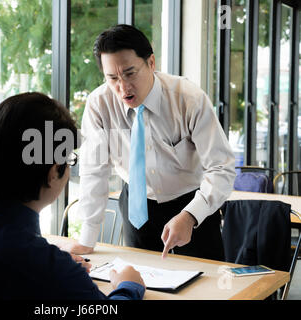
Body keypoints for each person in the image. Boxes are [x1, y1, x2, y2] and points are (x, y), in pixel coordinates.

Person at [0, 92, 145, 300]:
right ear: (52, 172)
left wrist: (50, 258)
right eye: (68, 160)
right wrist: (129, 285)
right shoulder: (47, 268)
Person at [64, 24, 236, 261]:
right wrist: (87, 237)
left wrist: (190, 215)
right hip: (137, 203)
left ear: (151, 63)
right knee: (141, 280)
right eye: (112, 78)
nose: (123, 88)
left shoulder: (188, 99)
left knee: (205, 282)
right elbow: (94, 170)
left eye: (130, 73)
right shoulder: (99, 104)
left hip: (192, 202)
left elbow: (221, 167)